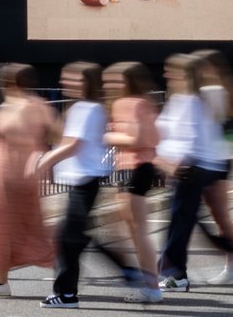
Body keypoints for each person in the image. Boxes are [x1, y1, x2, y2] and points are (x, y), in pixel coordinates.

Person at [0, 63, 57, 297]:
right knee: (28, 228)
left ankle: (2, 283)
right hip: (25, 176)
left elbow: (15, 137)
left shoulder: (16, 107)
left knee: (1, 230)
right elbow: (54, 134)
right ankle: (1, 280)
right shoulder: (40, 105)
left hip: (9, 176)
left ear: (9, 83)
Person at [36, 61, 110, 309]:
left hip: (84, 181)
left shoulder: (86, 108)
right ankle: (68, 292)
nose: (64, 83)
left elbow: (73, 145)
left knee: (68, 238)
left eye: (71, 79)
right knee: (72, 237)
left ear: (86, 82)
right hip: (84, 180)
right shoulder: (90, 107)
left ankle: (66, 295)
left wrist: (42, 162)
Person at [153, 53, 228, 292]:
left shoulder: (193, 102)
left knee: (180, 222)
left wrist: (170, 163)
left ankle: (176, 274)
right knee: (181, 220)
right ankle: (169, 270)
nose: (166, 75)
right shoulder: (181, 99)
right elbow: (164, 131)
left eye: (171, 71)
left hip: (190, 168)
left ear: (185, 74)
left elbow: (190, 139)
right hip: (187, 168)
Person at [102, 61, 163, 304]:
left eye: (114, 81)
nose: (109, 86)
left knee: (138, 230)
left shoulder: (131, 104)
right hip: (134, 167)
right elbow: (154, 136)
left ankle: (152, 286)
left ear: (128, 82)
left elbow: (137, 137)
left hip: (135, 167)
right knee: (129, 228)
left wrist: (107, 135)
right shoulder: (143, 103)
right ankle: (147, 281)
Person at [191, 49, 233, 286]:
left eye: (201, 67)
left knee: (213, 214)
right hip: (220, 158)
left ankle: (232, 265)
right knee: (217, 214)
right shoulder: (223, 91)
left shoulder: (211, 92)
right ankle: (231, 265)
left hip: (212, 159)